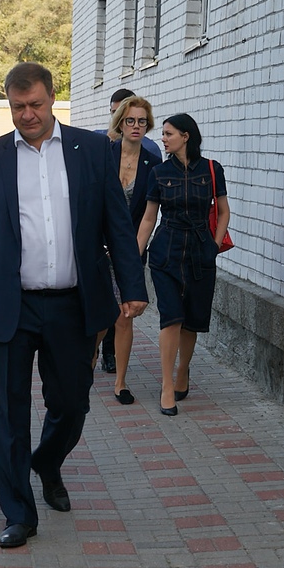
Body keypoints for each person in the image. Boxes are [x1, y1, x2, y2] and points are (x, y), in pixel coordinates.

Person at [0, 63, 148, 549]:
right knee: (7, 413)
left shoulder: (92, 150)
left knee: (72, 404)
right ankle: (18, 513)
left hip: (72, 305)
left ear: (53, 97)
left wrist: (132, 286)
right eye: (18, 107)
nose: (27, 114)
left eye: (35, 104)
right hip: (10, 306)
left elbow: (117, 224)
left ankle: (48, 461)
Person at [136, 113, 231, 417]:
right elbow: (149, 218)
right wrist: (134, 258)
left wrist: (213, 245)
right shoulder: (159, 173)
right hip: (167, 250)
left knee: (192, 319)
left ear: (186, 136)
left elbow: (224, 211)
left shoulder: (212, 169)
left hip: (201, 251)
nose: (163, 139)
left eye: (169, 134)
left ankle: (182, 370)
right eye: (163, 134)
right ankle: (167, 386)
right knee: (171, 317)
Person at [97, 88, 161, 373]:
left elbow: (148, 217)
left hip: (132, 247)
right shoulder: (103, 155)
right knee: (100, 312)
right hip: (99, 247)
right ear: (120, 123)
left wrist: (130, 254)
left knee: (125, 313)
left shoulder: (153, 164)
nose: (136, 126)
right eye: (130, 120)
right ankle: (89, 360)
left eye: (142, 121)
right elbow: (92, 205)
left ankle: (119, 379)